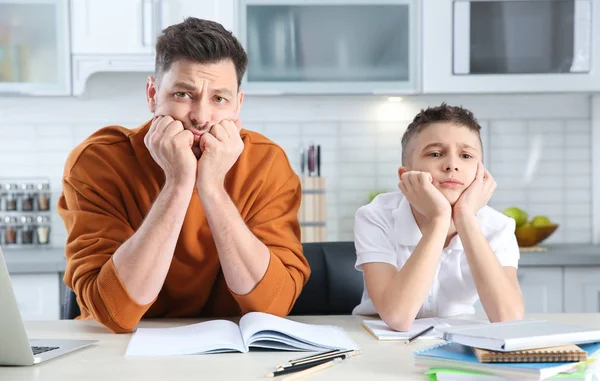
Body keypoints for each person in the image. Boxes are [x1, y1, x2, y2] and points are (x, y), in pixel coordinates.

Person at [58, 18, 310, 333]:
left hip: (229, 355)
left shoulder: (266, 163)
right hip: (116, 353)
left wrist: (212, 188)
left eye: (219, 99)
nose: (201, 117)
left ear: (237, 106)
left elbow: (272, 307)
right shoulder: (97, 162)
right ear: (152, 94)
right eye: (183, 94)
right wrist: (178, 185)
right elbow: (116, 313)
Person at [352, 103, 524, 331]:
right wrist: (439, 220)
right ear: (406, 176)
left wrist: (465, 218)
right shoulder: (375, 217)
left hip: (456, 334)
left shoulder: (498, 227)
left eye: (465, 155)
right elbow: (398, 317)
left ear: (481, 173)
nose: (452, 165)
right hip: (377, 335)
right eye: (435, 153)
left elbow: (509, 319)